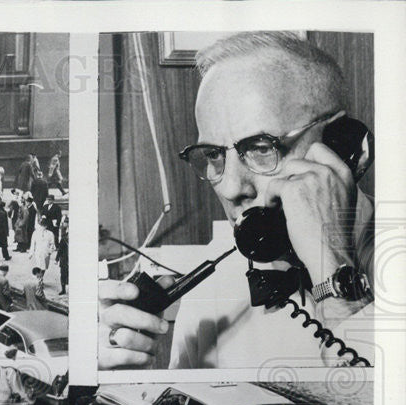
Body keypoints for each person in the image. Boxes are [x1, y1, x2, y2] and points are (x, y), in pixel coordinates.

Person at [100, 32, 374, 370]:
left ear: (343, 146)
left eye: (261, 147)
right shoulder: (213, 287)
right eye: (214, 155)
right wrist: (127, 384)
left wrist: (332, 268)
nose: (230, 188)